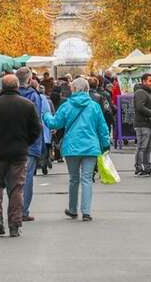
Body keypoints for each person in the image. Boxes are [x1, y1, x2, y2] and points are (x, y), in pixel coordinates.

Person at [0, 74, 41, 238]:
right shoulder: (27, 105)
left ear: (3, 87)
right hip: (19, 152)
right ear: (16, 86)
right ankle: (14, 224)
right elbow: (36, 129)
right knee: (16, 188)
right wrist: (26, 141)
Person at [43, 77, 110, 221]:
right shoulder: (94, 106)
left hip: (72, 147)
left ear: (73, 89)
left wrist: (46, 115)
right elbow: (102, 128)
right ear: (86, 89)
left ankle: (73, 209)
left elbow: (55, 123)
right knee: (87, 179)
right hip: (91, 146)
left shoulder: (67, 105)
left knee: (74, 179)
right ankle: (86, 211)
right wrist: (105, 145)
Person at [15, 66, 43, 221]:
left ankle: (14, 207)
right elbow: (36, 120)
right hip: (29, 144)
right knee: (27, 178)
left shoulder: (7, 95)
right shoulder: (34, 96)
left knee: (13, 176)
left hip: (12, 142)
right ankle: (23, 210)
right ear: (30, 79)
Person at [133, 73, 151, 176]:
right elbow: (140, 107)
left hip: (148, 123)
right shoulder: (141, 92)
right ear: (144, 81)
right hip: (142, 124)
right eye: (150, 81)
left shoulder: (147, 92)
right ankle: (139, 168)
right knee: (142, 147)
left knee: (147, 148)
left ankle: (147, 167)